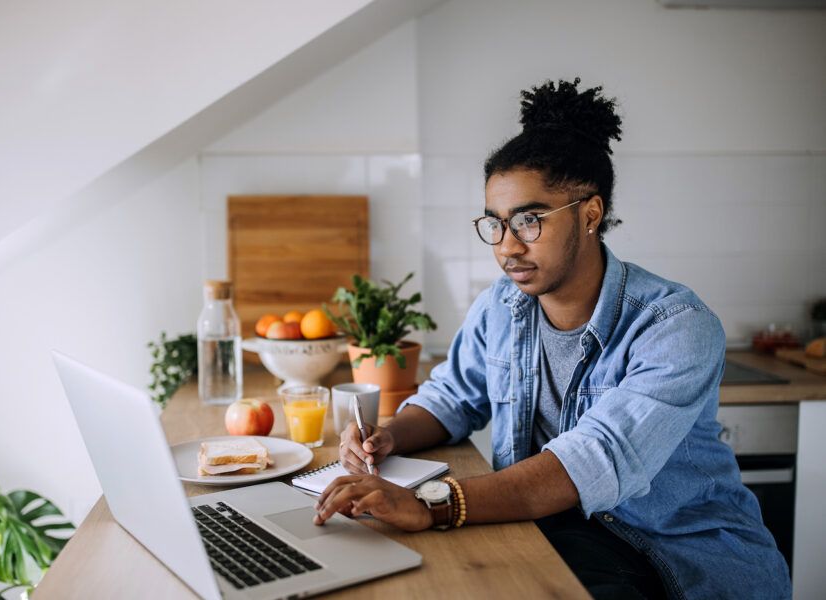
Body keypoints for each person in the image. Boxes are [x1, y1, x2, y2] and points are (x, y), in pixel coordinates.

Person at [312, 78, 791, 600]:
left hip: (675, 558)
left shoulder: (675, 325)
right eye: (495, 224)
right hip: (553, 533)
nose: (507, 247)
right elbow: (453, 397)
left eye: (530, 220)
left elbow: (593, 459)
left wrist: (432, 502)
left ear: (591, 214)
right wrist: (388, 436)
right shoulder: (503, 303)